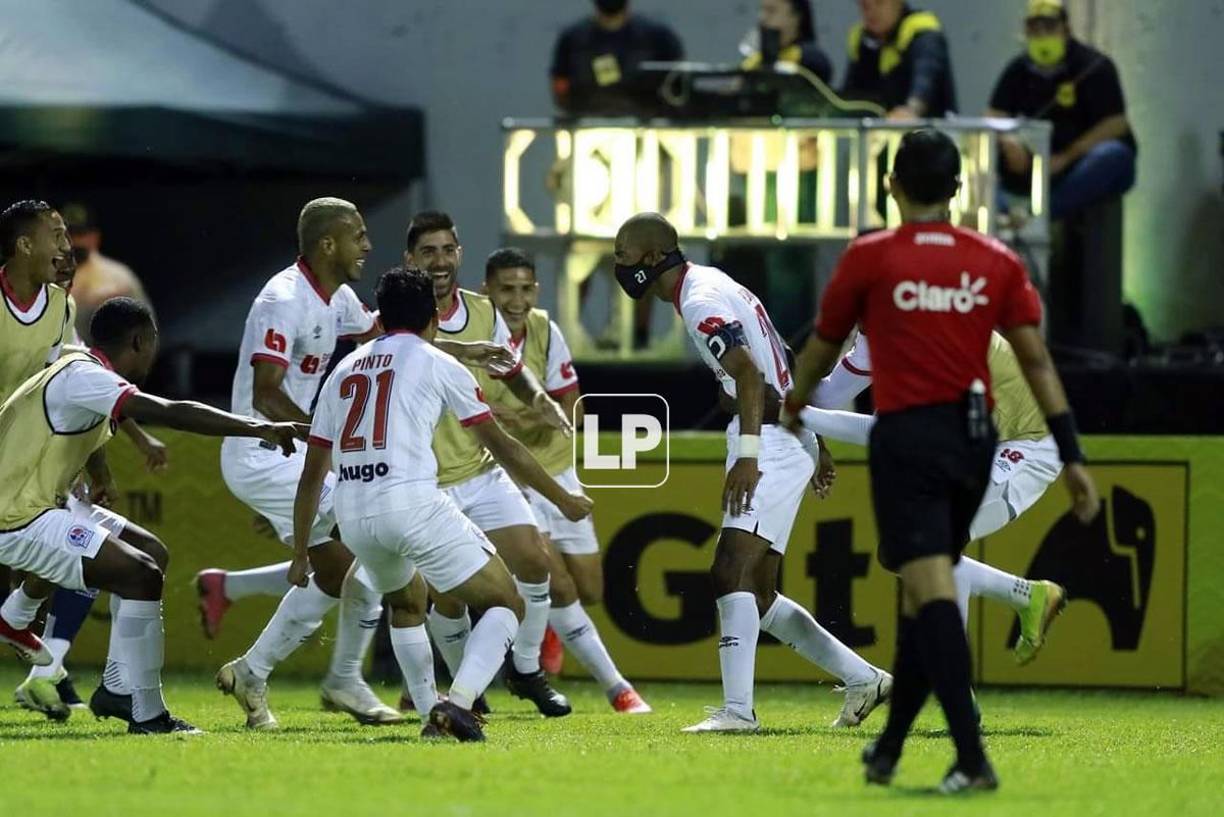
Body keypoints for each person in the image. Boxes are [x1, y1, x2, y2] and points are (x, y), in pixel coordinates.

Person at [783, 128, 1099, 792]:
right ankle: (892, 749)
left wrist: (794, 405)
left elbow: (822, 345)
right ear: (958, 191)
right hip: (977, 440)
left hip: (913, 441)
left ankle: (971, 755)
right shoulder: (995, 260)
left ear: (891, 186)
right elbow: (1040, 361)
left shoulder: (870, 258)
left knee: (928, 587)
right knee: (924, 589)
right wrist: (1074, 457)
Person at [612, 212, 891, 734]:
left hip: (768, 444)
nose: (618, 265)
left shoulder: (698, 301)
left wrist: (747, 454)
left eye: (623, 255)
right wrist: (818, 441)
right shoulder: (717, 281)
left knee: (728, 572)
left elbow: (750, 372)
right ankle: (864, 678)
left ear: (652, 258)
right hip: (787, 436)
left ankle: (738, 713)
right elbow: (781, 357)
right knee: (758, 594)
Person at [293, 267, 594, 741]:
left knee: (407, 603)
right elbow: (506, 446)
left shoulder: (344, 370)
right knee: (505, 602)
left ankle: (428, 715)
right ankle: (457, 704)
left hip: (352, 512)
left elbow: (312, 473)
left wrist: (299, 554)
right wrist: (563, 498)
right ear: (433, 318)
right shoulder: (438, 362)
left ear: (381, 315)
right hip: (410, 502)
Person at [0, 296, 304, 733]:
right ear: (141, 340)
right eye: (155, 341)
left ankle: (115, 687)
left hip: (41, 503)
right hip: (17, 518)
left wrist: (97, 473)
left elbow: (78, 427)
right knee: (139, 574)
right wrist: (258, 427)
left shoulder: (78, 364)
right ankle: (147, 713)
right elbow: (171, 412)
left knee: (150, 552)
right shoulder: (86, 376)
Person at [210, 197, 403, 730]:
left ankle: (259, 671)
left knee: (349, 570)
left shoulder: (336, 296)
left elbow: (383, 332)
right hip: (262, 454)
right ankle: (338, 677)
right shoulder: (283, 300)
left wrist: (460, 343)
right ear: (327, 244)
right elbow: (268, 395)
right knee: (371, 538)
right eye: (358, 235)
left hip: (294, 455)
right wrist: (325, 444)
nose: (367, 245)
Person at [798, 331, 1068, 663]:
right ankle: (1028, 598)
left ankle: (957, 686)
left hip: (1029, 445)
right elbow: (825, 398)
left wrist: (796, 415)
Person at [0, 200, 166, 721]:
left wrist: (107, 463)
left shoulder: (60, 307)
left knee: (94, 553)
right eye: (56, 236)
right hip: (10, 465)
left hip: (41, 456)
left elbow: (85, 387)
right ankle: (42, 661)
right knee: (64, 553)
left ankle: (46, 668)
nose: (65, 248)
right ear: (25, 245)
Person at [404, 211, 575, 717]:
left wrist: (539, 397)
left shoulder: (484, 311)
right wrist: (468, 351)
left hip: (478, 469)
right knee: (447, 596)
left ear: (459, 254)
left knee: (535, 561)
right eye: (428, 251)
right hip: (427, 481)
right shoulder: (396, 307)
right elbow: (393, 346)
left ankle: (525, 669)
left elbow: (512, 368)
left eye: (447, 249)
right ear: (410, 259)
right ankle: (468, 688)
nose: (439, 260)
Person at [482, 247, 650, 713]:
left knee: (591, 590)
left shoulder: (545, 329)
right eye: (505, 289)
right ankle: (619, 689)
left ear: (535, 290)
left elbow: (571, 405)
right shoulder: (474, 337)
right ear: (487, 291)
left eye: (524, 289)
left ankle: (546, 625)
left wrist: (517, 418)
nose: (516, 300)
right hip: (507, 477)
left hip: (558, 468)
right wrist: (519, 420)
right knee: (560, 588)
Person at [987, 0, 1136, 221]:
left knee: (1112, 155)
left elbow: (1116, 124)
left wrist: (1066, 158)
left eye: (1050, 27)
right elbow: (992, 117)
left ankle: (1036, 218)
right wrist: (1008, 139)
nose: (1042, 35)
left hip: (1077, 165)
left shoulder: (1096, 67)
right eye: (1035, 29)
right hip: (1033, 167)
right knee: (979, 166)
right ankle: (1007, 218)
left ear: (1066, 29)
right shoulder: (1017, 69)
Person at [550, 0, 683, 116]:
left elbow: (678, 88)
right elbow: (560, 87)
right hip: (585, 128)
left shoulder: (659, 38)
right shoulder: (573, 40)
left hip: (647, 128)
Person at [841, 0, 956, 119]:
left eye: (879, 2)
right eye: (864, 5)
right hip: (877, 132)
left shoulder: (922, 30)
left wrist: (912, 109)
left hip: (931, 131)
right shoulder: (861, 39)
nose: (871, 12)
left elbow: (926, 77)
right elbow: (850, 95)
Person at [59, 202, 152, 344]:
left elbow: (146, 336)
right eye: (68, 234)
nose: (74, 241)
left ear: (94, 237)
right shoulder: (42, 276)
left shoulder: (119, 278)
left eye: (80, 234)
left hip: (101, 362)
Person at [741, 0, 831, 81]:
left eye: (771, 11)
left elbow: (819, 65)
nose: (762, 18)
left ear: (796, 17)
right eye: (761, 10)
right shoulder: (754, 61)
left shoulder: (810, 59)